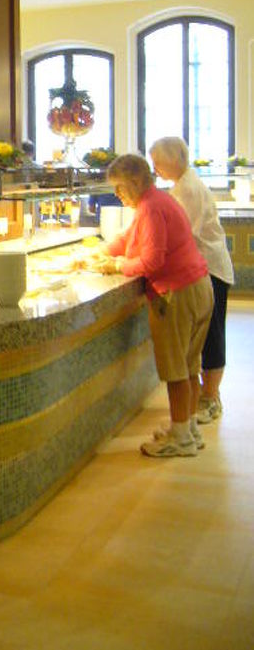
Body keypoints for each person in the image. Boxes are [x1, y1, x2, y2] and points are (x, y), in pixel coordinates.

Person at [96, 153, 213, 458]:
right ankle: (188, 428)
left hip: (177, 294)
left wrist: (118, 266)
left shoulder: (150, 208)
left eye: (120, 187)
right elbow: (128, 239)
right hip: (198, 286)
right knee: (189, 365)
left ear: (136, 182)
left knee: (175, 369)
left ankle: (180, 439)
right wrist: (102, 252)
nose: (117, 194)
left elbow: (151, 261)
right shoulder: (156, 201)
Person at [149, 137, 234, 424]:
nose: (155, 168)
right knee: (203, 337)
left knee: (212, 336)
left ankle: (211, 397)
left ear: (174, 159)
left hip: (211, 269)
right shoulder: (182, 185)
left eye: (158, 162)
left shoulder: (188, 189)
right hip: (202, 269)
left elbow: (182, 233)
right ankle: (205, 396)